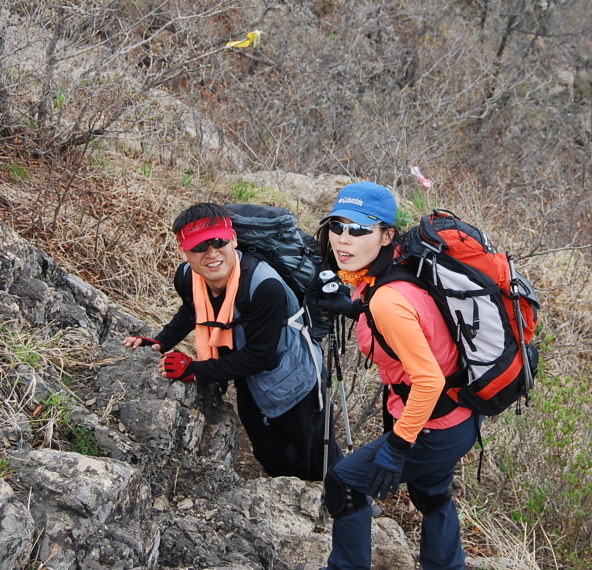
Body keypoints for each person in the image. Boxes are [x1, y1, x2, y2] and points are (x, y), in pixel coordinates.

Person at [297, 182, 479, 570]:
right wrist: (349, 308)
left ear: (386, 235)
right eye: (337, 226)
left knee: (344, 485)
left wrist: (396, 448)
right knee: (431, 495)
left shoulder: (387, 298)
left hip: (432, 425)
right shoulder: (398, 270)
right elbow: (412, 324)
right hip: (458, 417)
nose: (344, 240)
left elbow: (427, 379)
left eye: (360, 229)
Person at [122, 203, 342, 482]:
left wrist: (195, 371)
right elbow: (193, 310)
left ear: (233, 239)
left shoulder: (264, 286)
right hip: (250, 380)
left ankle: (354, 505)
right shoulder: (189, 278)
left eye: (219, 242)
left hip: (296, 381)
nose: (212, 254)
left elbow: (262, 356)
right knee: (270, 457)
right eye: (199, 247)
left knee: (319, 460)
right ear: (184, 252)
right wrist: (159, 342)